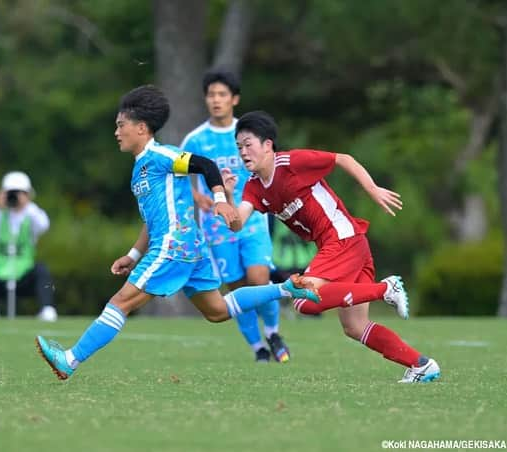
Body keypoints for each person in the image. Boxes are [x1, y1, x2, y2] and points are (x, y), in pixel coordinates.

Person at [34, 85, 325, 380]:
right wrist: (134, 254)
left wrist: (222, 201)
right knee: (217, 311)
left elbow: (205, 164)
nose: (116, 132)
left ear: (142, 127)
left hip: (173, 246)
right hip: (188, 247)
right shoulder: (140, 170)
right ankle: (286, 289)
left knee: (120, 303)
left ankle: (69, 359)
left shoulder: (161, 155)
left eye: (121, 125)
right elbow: (152, 219)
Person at [226, 110, 440, 383]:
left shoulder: (290, 163)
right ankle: (421, 365)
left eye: (248, 144)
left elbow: (343, 159)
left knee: (303, 299)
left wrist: (372, 188)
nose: (243, 152)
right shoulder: (254, 187)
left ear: (267, 145)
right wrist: (229, 196)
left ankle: (385, 289)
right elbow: (237, 224)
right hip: (345, 243)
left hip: (342, 238)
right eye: (239, 147)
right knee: (354, 326)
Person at [180, 69, 289, 363]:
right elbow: (178, 179)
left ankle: (274, 331)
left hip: (251, 215)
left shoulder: (247, 133)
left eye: (222, 95)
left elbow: (270, 166)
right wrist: (197, 196)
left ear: (234, 99)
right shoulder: (195, 140)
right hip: (217, 226)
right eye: (211, 95)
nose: (216, 100)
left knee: (259, 278)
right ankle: (259, 349)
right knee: (236, 288)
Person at [0, 171, 57, 322]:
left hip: (23, 274)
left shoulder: (31, 213)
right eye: (11, 193)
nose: (14, 197)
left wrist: (27, 206)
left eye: (20, 193)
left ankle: (47, 309)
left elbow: (44, 226)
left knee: (42, 270)